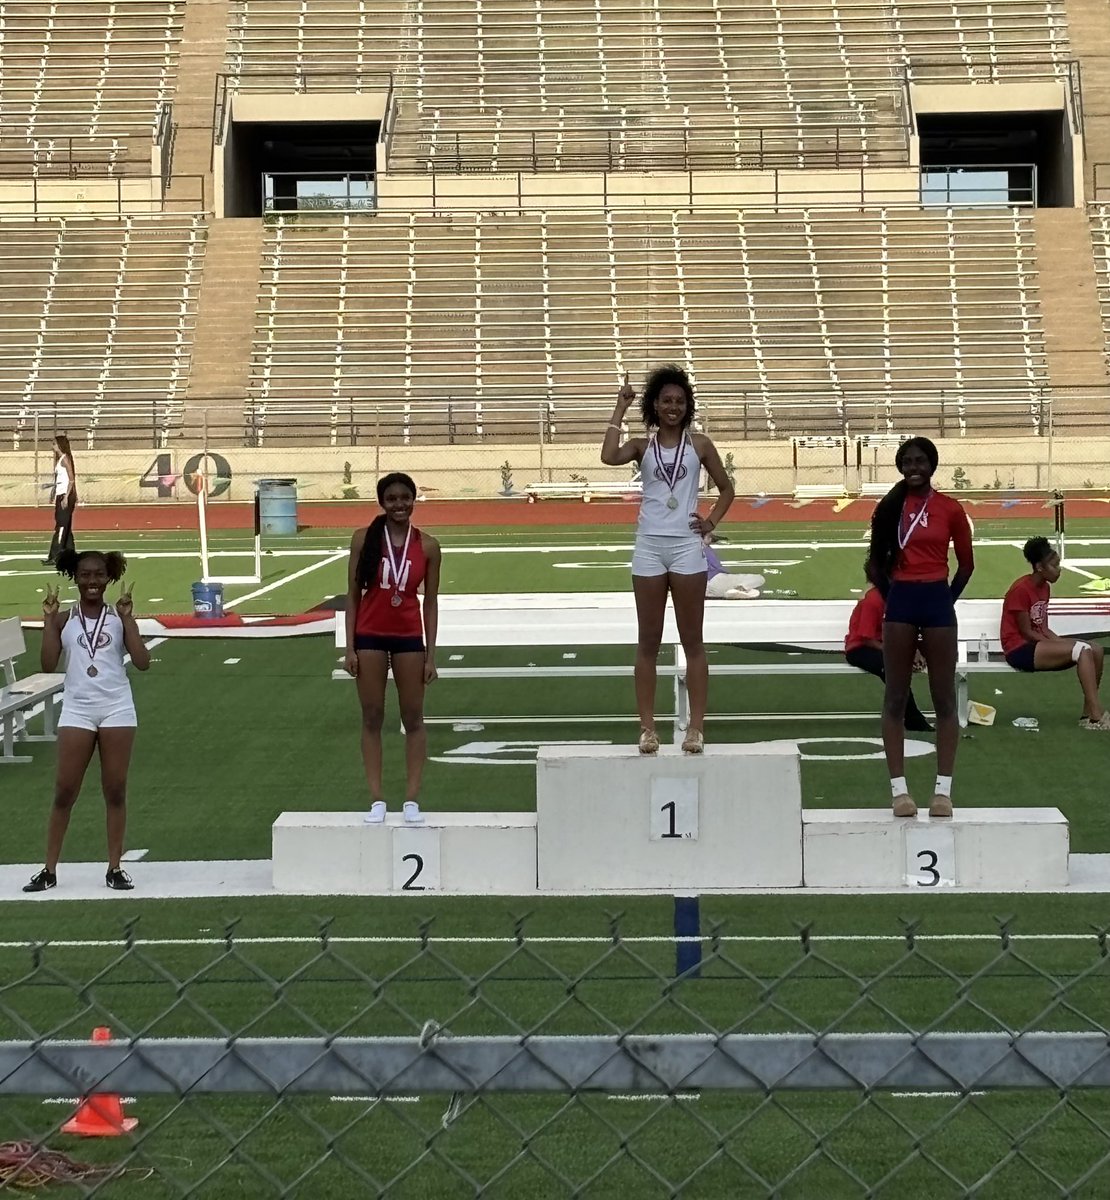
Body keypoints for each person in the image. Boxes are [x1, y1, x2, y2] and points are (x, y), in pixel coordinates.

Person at [601, 366, 735, 754]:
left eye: (679, 401)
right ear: (654, 406)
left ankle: (695, 728)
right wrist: (619, 407)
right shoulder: (643, 446)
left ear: (687, 405)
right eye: (665, 401)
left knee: (693, 641)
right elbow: (609, 455)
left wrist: (710, 520)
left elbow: (726, 489)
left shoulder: (701, 445)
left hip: (686, 547)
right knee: (648, 642)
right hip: (648, 547)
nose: (673, 406)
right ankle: (647, 728)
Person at [23, 550, 148, 893]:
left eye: (98, 575)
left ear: (108, 578)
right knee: (64, 791)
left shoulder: (117, 616)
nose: (92, 581)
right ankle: (49, 870)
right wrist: (48, 622)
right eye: (85, 575)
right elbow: (48, 664)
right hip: (77, 709)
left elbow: (142, 661)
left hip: (117, 708)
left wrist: (129, 620)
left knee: (115, 790)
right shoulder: (64, 620)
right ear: (75, 578)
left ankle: (115, 868)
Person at [868, 436, 973, 819]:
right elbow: (875, 564)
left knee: (944, 699)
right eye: (907, 461)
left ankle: (942, 792)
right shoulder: (889, 508)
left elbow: (966, 565)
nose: (914, 467)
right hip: (901, 603)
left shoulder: (950, 508)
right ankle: (900, 792)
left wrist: (947, 599)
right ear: (900, 465)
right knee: (895, 697)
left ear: (932, 465)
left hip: (936, 603)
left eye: (921, 461)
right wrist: (891, 596)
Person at [345, 472, 441, 823]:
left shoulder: (428, 546)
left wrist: (431, 655)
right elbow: (352, 596)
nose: (399, 504)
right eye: (392, 498)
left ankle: (412, 798)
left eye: (405, 497)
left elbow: (429, 602)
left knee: (413, 718)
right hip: (369, 634)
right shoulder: (363, 539)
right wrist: (349, 647)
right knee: (372, 717)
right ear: (381, 503)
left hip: (408, 639)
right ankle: (377, 798)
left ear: (414, 500)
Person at [1001, 536, 1109, 730]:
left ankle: (1087, 714)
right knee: (1082, 650)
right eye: (1054, 565)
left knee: (1096, 650)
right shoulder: (1020, 589)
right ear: (1039, 567)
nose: (1059, 569)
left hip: (1037, 644)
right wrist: (1060, 646)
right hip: (1019, 649)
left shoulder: (1045, 588)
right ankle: (1096, 715)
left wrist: (1058, 642)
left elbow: (1042, 627)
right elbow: (1026, 632)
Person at [844, 561, 932, 733]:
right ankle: (910, 717)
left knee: (895, 666)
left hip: (885, 647)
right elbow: (867, 639)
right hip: (860, 649)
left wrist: (915, 651)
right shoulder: (873, 601)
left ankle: (907, 715)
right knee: (892, 668)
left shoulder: (899, 600)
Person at [42, 433, 77, 565]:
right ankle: (70, 555)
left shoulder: (65, 459)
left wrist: (66, 497)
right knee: (65, 528)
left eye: (54, 444)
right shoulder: (60, 459)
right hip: (60, 494)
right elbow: (61, 479)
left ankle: (55, 556)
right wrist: (52, 489)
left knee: (61, 527)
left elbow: (71, 479)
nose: (53, 446)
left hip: (65, 496)